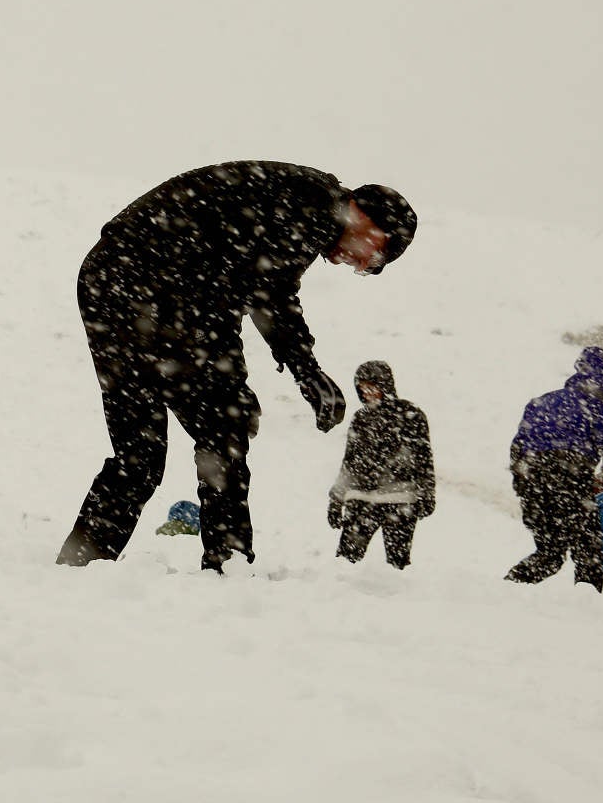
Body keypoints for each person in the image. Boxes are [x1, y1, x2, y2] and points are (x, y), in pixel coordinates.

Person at [55, 161, 417, 573]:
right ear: (370, 220)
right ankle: (219, 566)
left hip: (135, 287)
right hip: (140, 288)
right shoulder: (315, 205)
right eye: (378, 255)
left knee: (177, 440)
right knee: (193, 435)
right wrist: (305, 370)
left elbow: (250, 288)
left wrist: (297, 371)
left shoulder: (309, 207)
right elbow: (267, 293)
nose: (363, 266)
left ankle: (93, 564)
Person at [506, 346, 603, 587]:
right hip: (571, 481)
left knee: (550, 554)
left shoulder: (541, 402)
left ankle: (506, 589)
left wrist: (524, 485)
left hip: (534, 485)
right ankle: (587, 601)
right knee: (590, 552)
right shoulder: (602, 408)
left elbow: (518, 448)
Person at [327, 361, 435, 569]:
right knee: (344, 564)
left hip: (400, 500)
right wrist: (336, 499)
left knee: (397, 566)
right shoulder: (360, 418)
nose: (367, 393)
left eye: (372, 387)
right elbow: (349, 462)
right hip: (361, 500)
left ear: (385, 385)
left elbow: (424, 459)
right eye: (362, 388)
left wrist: (427, 494)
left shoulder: (411, 415)